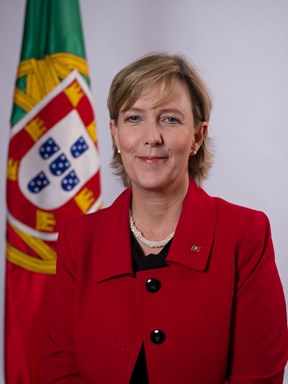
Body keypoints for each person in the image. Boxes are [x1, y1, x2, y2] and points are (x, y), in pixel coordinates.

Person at [44, 53, 288, 383]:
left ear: (197, 137)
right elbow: (61, 371)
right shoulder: (79, 240)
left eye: (170, 119)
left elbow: (259, 377)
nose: (151, 137)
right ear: (115, 134)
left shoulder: (245, 235)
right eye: (134, 119)